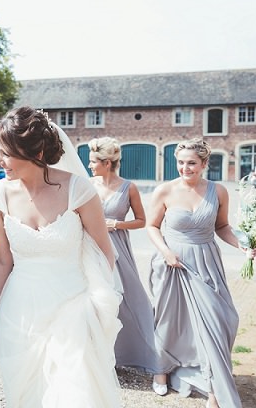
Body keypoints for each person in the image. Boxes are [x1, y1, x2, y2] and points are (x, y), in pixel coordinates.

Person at [0, 106, 122, 408]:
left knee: (74, 395)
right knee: (28, 395)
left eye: (5, 153)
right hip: (19, 312)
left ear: (35, 150)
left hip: (73, 308)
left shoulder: (78, 189)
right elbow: (0, 260)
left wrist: (98, 305)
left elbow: (103, 253)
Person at [146, 138, 255, 408]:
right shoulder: (164, 191)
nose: (185, 167)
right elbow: (151, 226)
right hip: (171, 263)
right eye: (181, 162)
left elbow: (223, 226)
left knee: (222, 322)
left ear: (205, 163)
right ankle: (161, 369)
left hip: (206, 262)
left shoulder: (218, 192)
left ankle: (215, 388)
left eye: (192, 163)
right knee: (168, 318)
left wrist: (242, 244)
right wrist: (166, 253)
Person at [87, 137, 167, 376]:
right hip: (91, 250)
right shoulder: (86, 185)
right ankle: (97, 357)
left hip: (119, 251)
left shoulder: (128, 187)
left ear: (108, 163)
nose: (90, 165)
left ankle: (129, 354)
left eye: (93, 161)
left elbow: (143, 221)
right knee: (94, 301)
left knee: (127, 302)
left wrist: (118, 224)